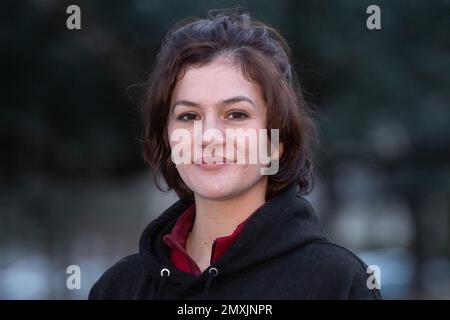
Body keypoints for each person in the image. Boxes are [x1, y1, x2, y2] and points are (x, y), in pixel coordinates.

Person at [89, 9, 382, 300]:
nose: (209, 137)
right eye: (189, 116)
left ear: (276, 141)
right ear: (167, 139)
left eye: (236, 114)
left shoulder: (337, 284)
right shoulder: (119, 289)